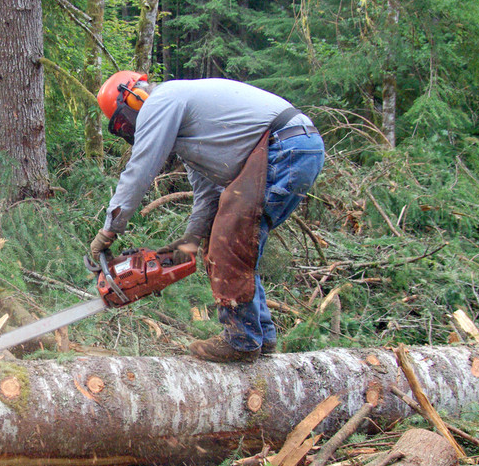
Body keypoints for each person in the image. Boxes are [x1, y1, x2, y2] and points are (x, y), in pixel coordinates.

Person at [88, 71, 325, 362]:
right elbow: (207, 194)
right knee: (240, 242)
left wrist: (109, 230)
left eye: (126, 120)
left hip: (281, 147)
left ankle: (242, 340)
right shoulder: (191, 131)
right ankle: (262, 334)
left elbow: (139, 170)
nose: (131, 128)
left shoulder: (160, 101)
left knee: (230, 241)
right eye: (122, 126)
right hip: (296, 146)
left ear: (134, 97)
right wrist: (190, 241)